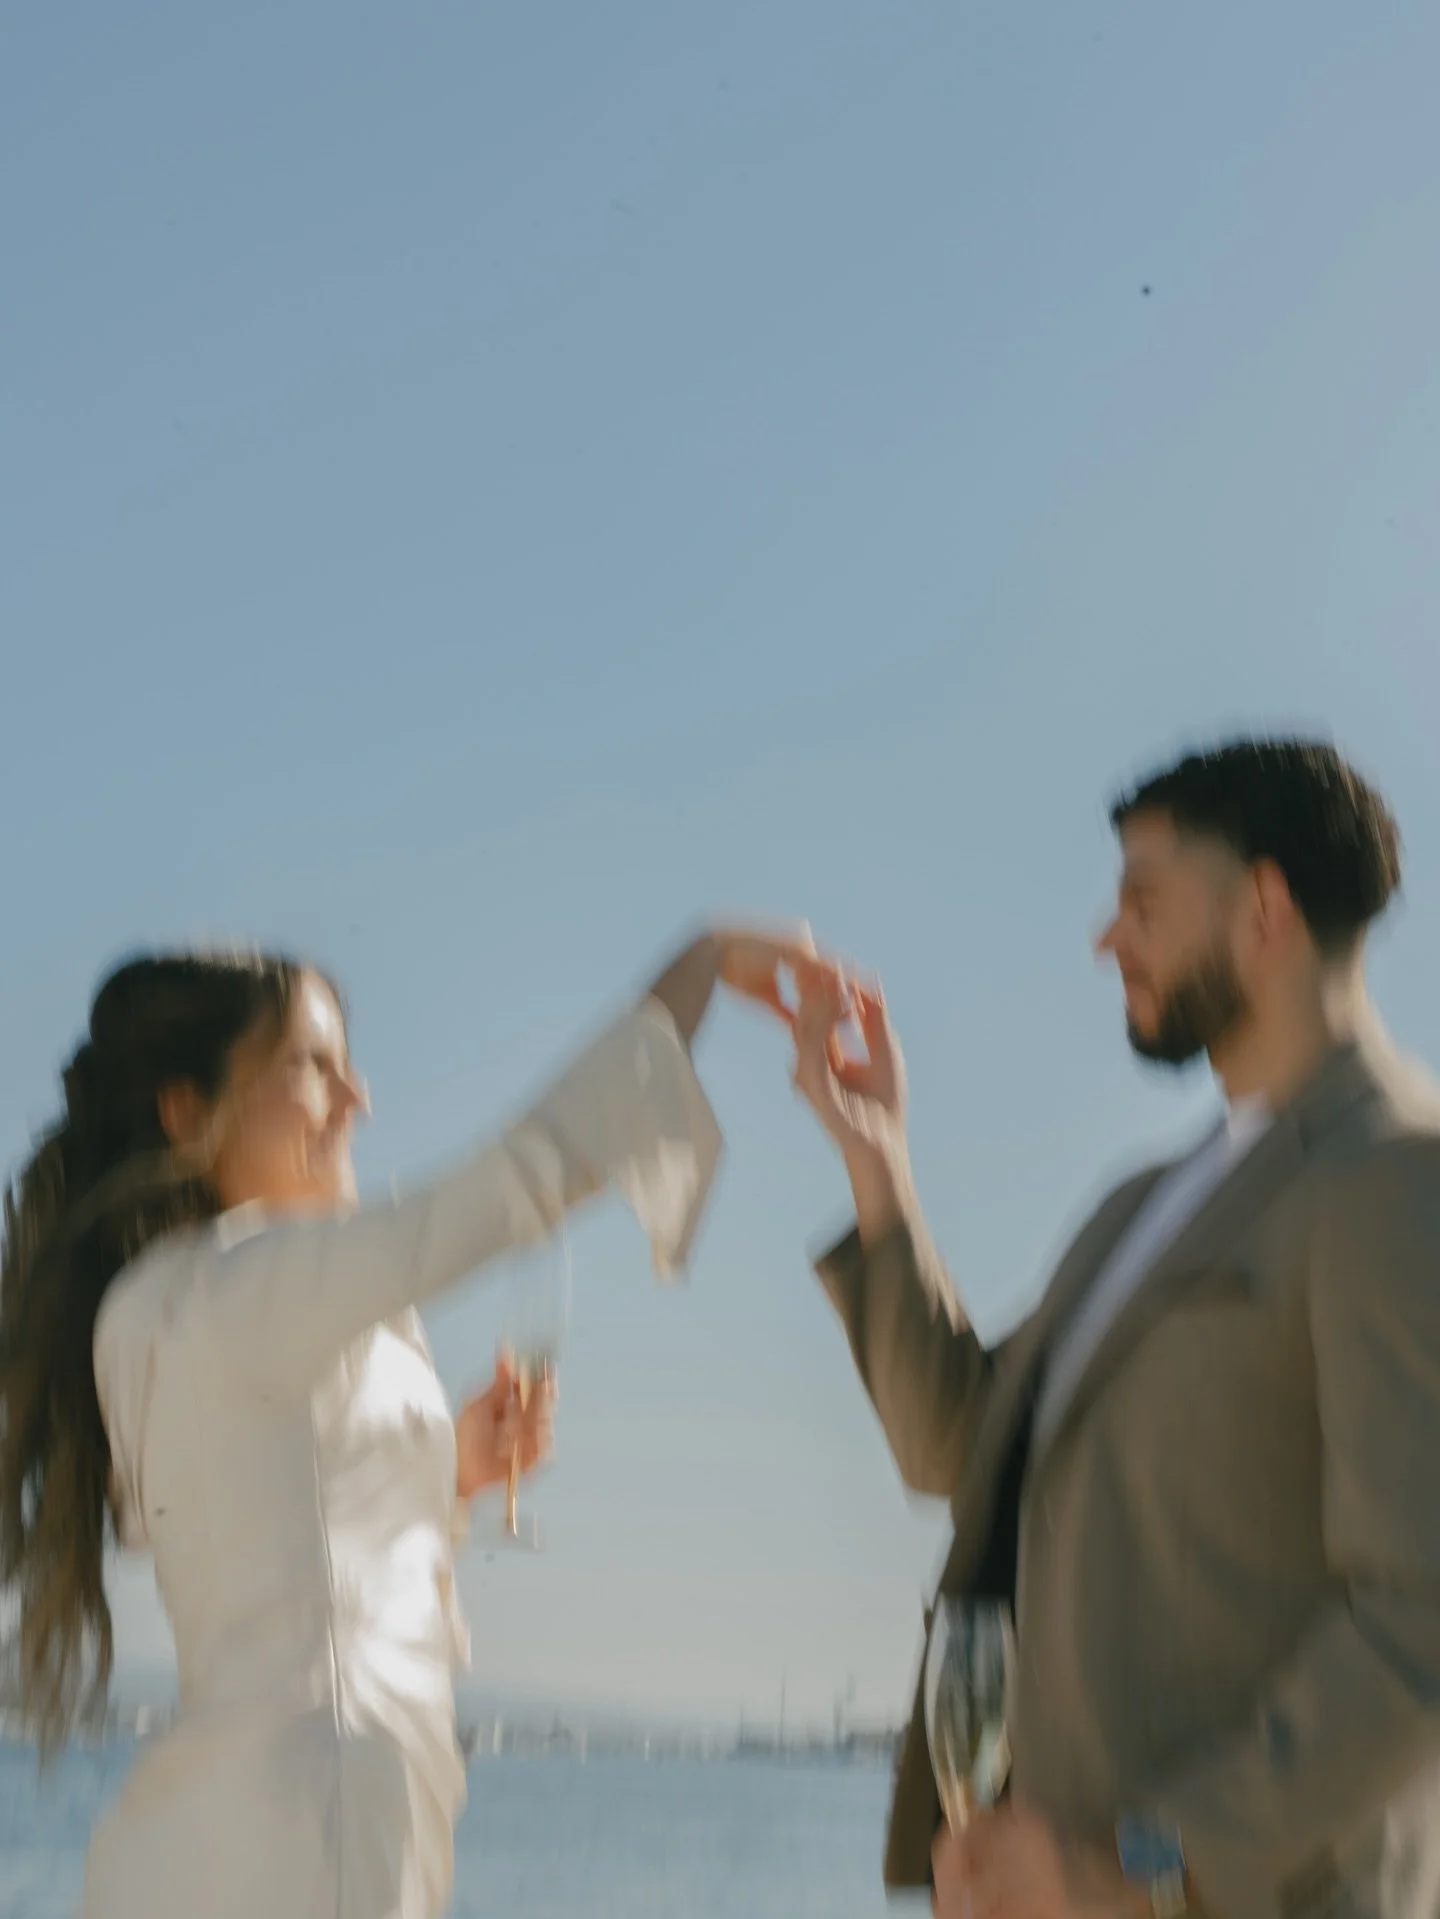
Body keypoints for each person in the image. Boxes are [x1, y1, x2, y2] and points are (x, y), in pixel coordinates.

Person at [0, 925, 824, 1918]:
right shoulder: (245, 1284)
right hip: (309, 1830)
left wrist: (453, 1472)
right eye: (312, 1066)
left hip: (217, 1833)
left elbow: (273, 1534)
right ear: (188, 1112)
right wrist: (703, 965)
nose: (359, 1097)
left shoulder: (147, 1309)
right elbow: (521, 1178)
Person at [788, 740, 1440, 1919]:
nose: (1106, 937)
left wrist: (1143, 1866)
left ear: (1263, 907)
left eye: (1142, 900)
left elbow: (1420, 1618)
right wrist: (878, 1165)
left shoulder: (1399, 1174)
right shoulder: (1140, 1204)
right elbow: (962, 1448)